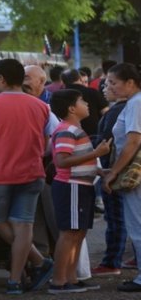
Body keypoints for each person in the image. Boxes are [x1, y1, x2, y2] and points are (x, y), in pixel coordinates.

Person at [0, 59, 54, 294]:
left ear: (1, 79)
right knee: (23, 224)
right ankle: (16, 280)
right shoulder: (41, 106)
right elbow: (49, 140)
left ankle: (37, 264)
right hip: (31, 171)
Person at [48, 89, 110, 294]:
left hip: (80, 186)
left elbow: (75, 160)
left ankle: (71, 278)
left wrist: (98, 169)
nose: (87, 104)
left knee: (78, 233)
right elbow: (62, 161)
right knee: (69, 234)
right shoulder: (68, 129)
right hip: (71, 186)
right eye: (82, 101)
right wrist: (96, 153)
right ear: (71, 108)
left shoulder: (74, 128)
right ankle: (59, 281)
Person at [103, 63, 141, 292]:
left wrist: (114, 171)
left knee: (137, 225)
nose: (109, 87)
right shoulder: (133, 103)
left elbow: (133, 141)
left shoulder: (136, 104)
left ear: (130, 82)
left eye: (113, 83)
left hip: (134, 176)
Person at [91, 85, 129, 277]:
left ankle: (111, 261)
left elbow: (106, 141)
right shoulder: (129, 107)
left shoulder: (117, 110)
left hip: (113, 169)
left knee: (116, 217)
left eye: (111, 84)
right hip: (123, 169)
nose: (105, 89)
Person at [61, 69, 109, 137]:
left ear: (63, 82)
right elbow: (106, 113)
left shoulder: (60, 95)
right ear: (79, 78)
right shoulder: (92, 92)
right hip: (93, 134)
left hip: (68, 134)